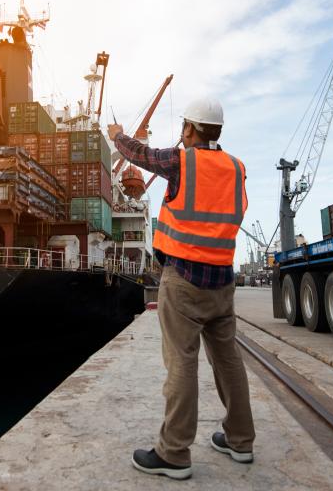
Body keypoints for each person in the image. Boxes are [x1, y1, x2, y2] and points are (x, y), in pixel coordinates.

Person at [108, 97, 255, 480]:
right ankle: (241, 441)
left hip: (185, 280)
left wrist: (117, 135)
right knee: (228, 361)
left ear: (189, 129)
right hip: (223, 281)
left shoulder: (181, 161)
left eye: (183, 128)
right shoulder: (237, 168)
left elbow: (140, 154)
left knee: (181, 364)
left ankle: (174, 454)